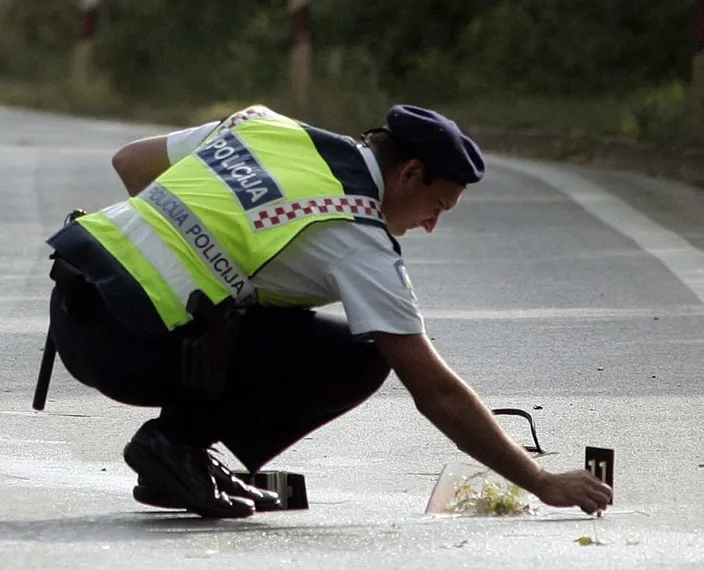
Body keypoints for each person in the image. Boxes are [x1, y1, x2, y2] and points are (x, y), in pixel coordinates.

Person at [45, 104, 612, 519]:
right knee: (361, 355)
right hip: (128, 351)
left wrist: (211, 265)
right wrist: (539, 480)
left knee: (264, 309)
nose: (431, 225)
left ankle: (178, 466)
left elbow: (132, 162)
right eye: (437, 205)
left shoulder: (267, 127)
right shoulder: (356, 236)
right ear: (410, 173)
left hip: (75, 307)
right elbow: (433, 388)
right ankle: (177, 445)